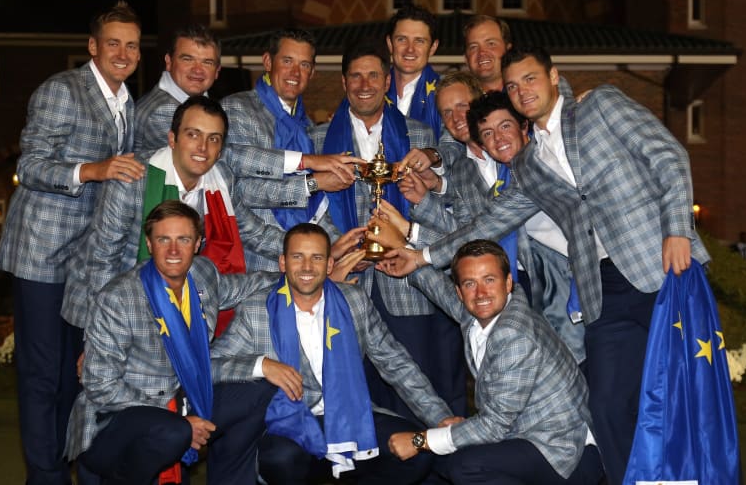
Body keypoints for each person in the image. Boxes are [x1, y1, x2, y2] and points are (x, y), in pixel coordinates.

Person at [380, 45, 710, 485]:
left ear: (554, 76)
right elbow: (488, 223)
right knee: (609, 406)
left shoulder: (602, 106)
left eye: (529, 79)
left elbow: (669, 156)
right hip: (602, 292)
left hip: (662, 266)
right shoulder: (530, 166)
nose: (522, 91)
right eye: (512, 85)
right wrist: (420, 255)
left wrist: (676, 230)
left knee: (684, 396)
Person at [0, 0, 146, 485]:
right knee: (42, 376)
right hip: (41, 253)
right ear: (92, 47)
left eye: (132, 45)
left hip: (85, 261)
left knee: (71, 376)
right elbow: (31, 167)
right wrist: (93, 170)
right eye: (114, 44)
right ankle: (45, 475)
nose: (123, 53)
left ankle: (64, 465)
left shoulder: (127, 103)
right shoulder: (62, 90)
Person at [212, 223, 456, 484]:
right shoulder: (257, 308)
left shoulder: (354, 300)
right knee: (280, 459)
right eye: (298, 257)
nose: (307, 267)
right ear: (283, 263)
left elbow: (396, 363)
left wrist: (440, 417)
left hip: (352, 415)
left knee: (417, 453)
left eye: (316, 258)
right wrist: (262, 366)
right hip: (292, 422)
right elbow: (212, 365)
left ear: (329, 265)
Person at [66, 200, 278, 485]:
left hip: (183, 403)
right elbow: (101, 387)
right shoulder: (118, 298)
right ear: (149, 244)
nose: (174, 250)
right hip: (114, 421)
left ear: (198, 243)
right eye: (163, 239)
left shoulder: (203, 274)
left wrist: (310, 275)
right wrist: (177, 418)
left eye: (184, 239)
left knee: (258, 390)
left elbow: (251, 284)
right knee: (174, 432)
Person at [310, 38, 466, 423]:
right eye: (356, 76)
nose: (365, 84)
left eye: (374, 76)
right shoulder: (317, 141)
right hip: (348, 283)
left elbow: (451, 190)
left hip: (409, 289)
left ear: (386, 81)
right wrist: (336, 245)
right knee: (363, 402)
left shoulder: (421, 138)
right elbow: (308, 210)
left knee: (419, 398)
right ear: (344, 83)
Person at [61, 96, 293, 336]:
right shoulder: (133, 179)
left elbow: (254, 232)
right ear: (172, 139)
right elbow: (103, 260)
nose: (203, 148)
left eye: (213, 139)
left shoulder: (221, 176)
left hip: (174, 301)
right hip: (103, 302)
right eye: (193, 135)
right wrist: (101, 333)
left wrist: (311, 251)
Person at [387, 90, 586, 364]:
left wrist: (415, 242)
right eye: (488, 133)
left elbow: (486, 227)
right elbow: (471, 236)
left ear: (523, 125)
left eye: (505, 127)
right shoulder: (477, 171)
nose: (498, 139)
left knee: (574, 373)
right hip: (518, 282)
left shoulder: (539, 162)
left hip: (571, 283)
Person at [386, 240, 603, 485]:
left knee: (465, 467)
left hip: (565, 453)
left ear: (508, 282)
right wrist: (406, 259)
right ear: (460, 291)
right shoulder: (485, 310)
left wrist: (419, 441)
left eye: (489, 280)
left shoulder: (514, 334)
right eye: (470, 283)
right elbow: (441, 291)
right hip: (528, 436)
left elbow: (493, 426)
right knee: (447, 458)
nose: (480, 293)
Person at [220, 28, 365, 271]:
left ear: (313, 73)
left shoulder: (306, 126)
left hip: (304, 266)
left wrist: (339, 249)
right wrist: (312, 177)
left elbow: (313, 207)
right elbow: (244, 191)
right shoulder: (237, 109)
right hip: (256, 263)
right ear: (268, 62)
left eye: (304, 65)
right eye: (287, 61)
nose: (295, 73)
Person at [134, 23, 221, 156]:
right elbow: (200, 164)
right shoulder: (163, 111)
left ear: (217, 71)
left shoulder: (195, 104)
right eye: (187, 59)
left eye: (207, 62)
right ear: (169, 62)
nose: (197, 69)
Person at [385, 3, 442, 140]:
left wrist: (433, 154)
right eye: (402, 39)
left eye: (419, 41)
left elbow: (454, 146)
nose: (410, 49)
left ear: (433, 47)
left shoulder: (446, 93)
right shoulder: (371, 90)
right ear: (390, 43)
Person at [463, 15, 512, 92]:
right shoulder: (459, 100)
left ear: (509, 51)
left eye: (491, 44)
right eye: (473, 47)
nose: (482, 52)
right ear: (466, 59)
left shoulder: (526, 97)